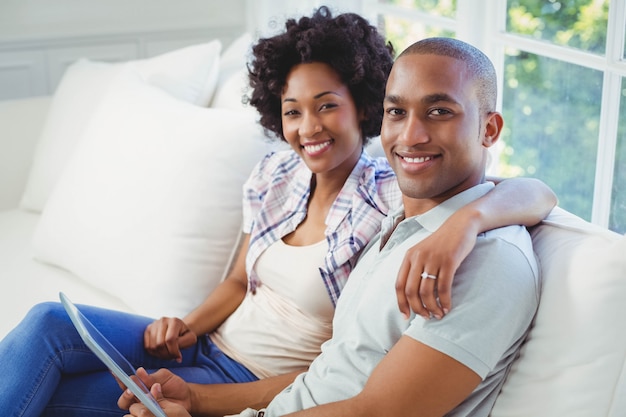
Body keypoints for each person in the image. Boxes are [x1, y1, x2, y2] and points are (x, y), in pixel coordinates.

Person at [0, 8, 554, 417]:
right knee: (49, 325)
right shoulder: (306, 184)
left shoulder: (392, 191)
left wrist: (469, 221)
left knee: (58, 401)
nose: (309, 126)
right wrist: (186, 332)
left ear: (358, 107)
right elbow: (242, 281)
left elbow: (533, 192)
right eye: (293, 111)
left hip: (259, 375)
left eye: (327, 106)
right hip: (220, 355)